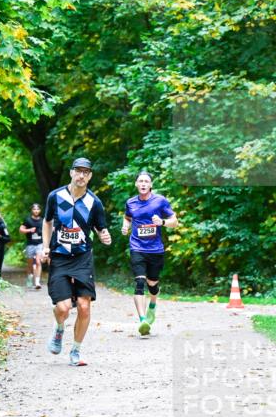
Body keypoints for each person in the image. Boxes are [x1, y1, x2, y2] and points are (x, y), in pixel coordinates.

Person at [39, 157, 112, 366]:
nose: (81, 175)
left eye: (86, 172)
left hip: (82, 258)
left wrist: (104, 236)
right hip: (60, 257)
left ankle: (76, 351)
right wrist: (46, 246)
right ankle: (59, 329)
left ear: (90, 176)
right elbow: (47, 222)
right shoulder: (55, 196)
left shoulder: (94, 202)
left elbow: (101, 228)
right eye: (78, 171)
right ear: (71, 173)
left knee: (84, 306)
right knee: (62, 308)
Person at [121, 170, 177, 336]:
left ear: (151, 185)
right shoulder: (131, 202)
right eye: (140, 181)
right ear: (136, 184)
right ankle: (143, 320)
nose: (143, 184)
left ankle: (153, 303)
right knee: (139, 282)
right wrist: (125, 225)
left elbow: (175, 221)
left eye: (146, 181)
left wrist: (163, 222)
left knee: (152, 284)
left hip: (155, 249)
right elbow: (127, 217)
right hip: (137, 247)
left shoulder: (160, 201)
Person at [19, 203, 45, 289]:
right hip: (30, 244)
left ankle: (37, 282)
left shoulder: (43, 220)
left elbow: (48, 229)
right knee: (30, 262)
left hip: (40, 244)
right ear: (32, 210)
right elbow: (21, 230)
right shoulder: (27, 220)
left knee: (38, 261)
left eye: (38, 209)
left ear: (40, 210)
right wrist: (29, 230)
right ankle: (29, 276)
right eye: (34, 209)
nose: (36, 211)